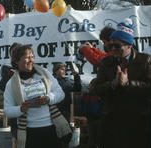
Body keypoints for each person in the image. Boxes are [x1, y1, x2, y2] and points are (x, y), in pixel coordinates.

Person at [94, 18, 151, 148]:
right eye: (110, 45)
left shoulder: (146, 60)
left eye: (117, 45)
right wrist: (113, 83)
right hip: (112, 123)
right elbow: (97, 88)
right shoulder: (105, 62)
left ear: (129, 46)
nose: (113, 48)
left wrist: (128, 83)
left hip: (138, 123)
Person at [4, 44, 67, 148]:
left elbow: (60, 94)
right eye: (27, 57)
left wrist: (48, 98)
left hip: (51, 127)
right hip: (29, 131)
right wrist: (21, 108)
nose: (31, 60)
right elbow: (7, 110)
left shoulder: (44, 74)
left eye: (32, 56)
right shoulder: (11, 84)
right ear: (16, 61)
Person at [52, 62, 82, 148]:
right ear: (56, 71)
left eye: (65, 70)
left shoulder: (67, 81)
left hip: (66, 112)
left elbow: (77, 89)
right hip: (54, 111)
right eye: (62, 69)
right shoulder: (51, 81)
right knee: (55, 134)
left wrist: (76, 77)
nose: (64, 71)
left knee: (66, 134)